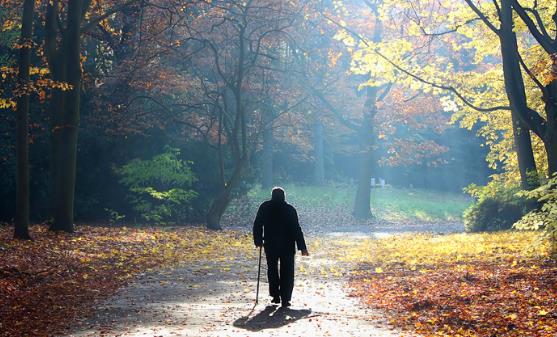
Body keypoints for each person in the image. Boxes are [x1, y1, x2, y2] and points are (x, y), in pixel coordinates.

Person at [253, 187, 309, 307]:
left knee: (272, 269)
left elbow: (257, 224)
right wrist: (302, 247)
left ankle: (275, 294)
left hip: (270, 243)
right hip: (287, 245)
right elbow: (296, 229)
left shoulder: (265, 207)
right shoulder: (290, 209)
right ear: (284, 196)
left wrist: (258, 240)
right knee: (287, 271)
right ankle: (285, 298)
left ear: (272, 196)